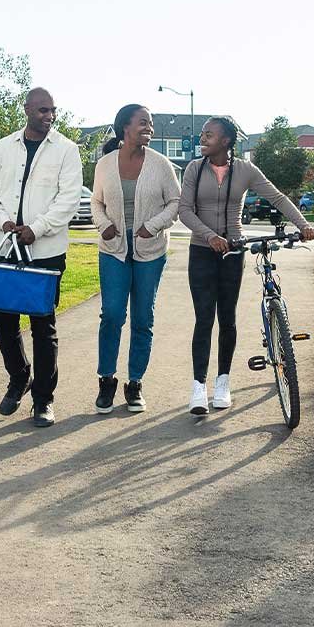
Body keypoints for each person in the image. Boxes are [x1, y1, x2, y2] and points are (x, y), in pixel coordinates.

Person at [178, 116, 314, 416]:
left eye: (209, 134)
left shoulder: (245, 170)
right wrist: (209, 236)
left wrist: (304, 225)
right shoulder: (194, 169)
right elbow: (185, 211)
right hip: (201, 251)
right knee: (204, 318)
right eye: (203, 134)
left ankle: (223, 382)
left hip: (233, 250)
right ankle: (198, 387)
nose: (202, 138)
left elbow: (277, 197)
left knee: (227, 318)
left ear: (226, 140)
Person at [0, 87, 83, 427]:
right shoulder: (2, 147)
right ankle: (19, 376)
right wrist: (3, 222)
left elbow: (68, 199)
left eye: (52, 110)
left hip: (46, 251)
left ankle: (43, 400)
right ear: (26, 110)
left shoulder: (66, 149)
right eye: (42, 110)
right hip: (5, 246)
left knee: (42, 325)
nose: (49, 116)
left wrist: (37, 228)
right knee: (2, 320)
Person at [89, 104, 182, 414]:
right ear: (125, 127)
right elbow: (96, 202)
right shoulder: (105, 164)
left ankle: (135, 384)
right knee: (112, 315)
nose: (149, 128)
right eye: (143, 123)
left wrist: (152, 226)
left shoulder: (161, 164)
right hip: (113, 249)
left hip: (150, 250)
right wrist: (103, 224)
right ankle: (106, 380)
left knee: (143, 318)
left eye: (150, 123)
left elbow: (175, 202)